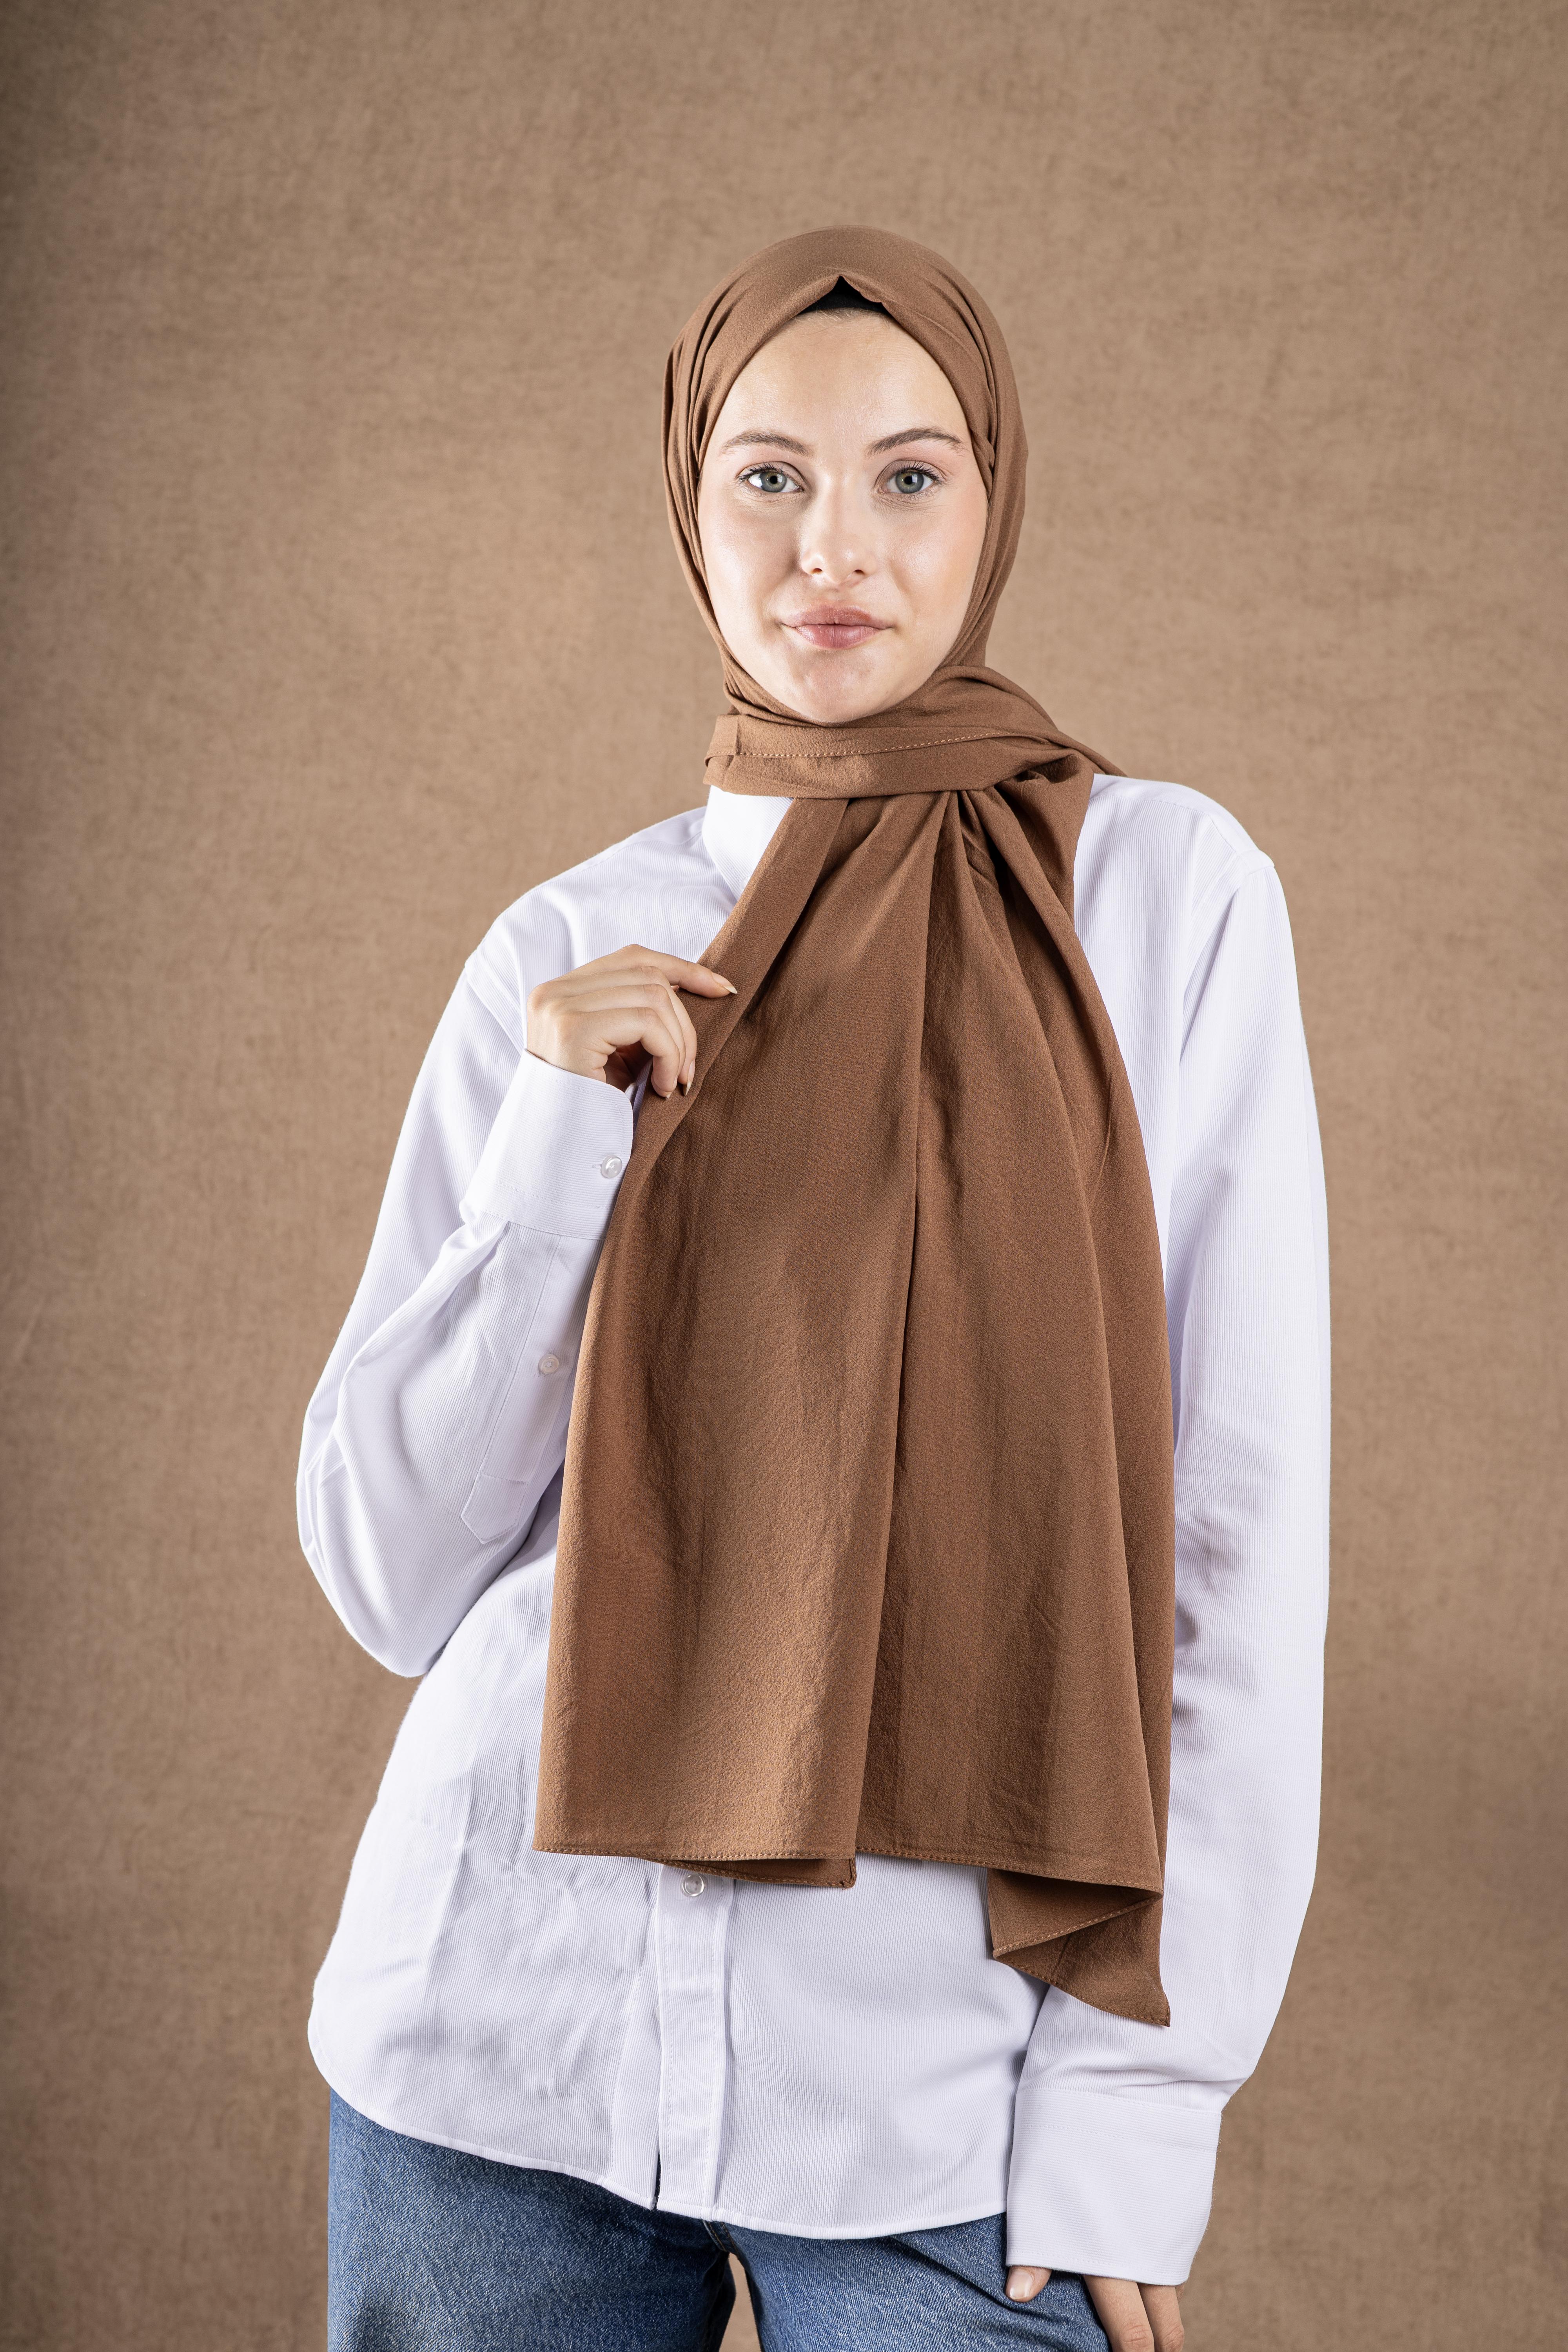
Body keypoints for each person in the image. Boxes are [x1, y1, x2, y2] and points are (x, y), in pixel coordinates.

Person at [299, 228, 1329, 2352]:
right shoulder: (565, 949)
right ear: (689, 510)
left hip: (936, 2101)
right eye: (765, 476)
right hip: (490, 2049)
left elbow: (1232, 1542)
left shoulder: (1159, 899)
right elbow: (394, 1577)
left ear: (994, 501)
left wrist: (1140, 2110)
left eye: (907, 477)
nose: (831, 547)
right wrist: (560, 1138)